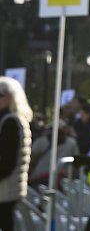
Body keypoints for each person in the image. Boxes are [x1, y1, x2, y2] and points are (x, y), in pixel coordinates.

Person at [0, 77, 31, 231]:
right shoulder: (10, 120)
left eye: (1, 94)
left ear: (11, 97)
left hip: (6, 190)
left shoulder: (11, 121)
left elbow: (7, 161)